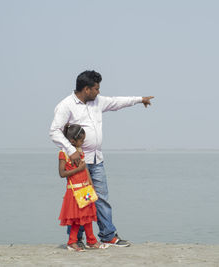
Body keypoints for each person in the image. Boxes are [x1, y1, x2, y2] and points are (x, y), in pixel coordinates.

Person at [50, 70, 154, 247]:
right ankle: (77, 240)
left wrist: (139, 99)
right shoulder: (66, 105)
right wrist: (70, 150)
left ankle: (108, 236)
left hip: (97, 160)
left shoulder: (97, 101)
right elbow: (54, 131)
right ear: (86, 89)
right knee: (81, 201)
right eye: (96, 88)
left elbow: (117, 102)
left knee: (101, 198)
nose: (99, 92)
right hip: (79, 162)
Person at [58, 123, 109, 251]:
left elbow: (85, 169)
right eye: (81, 140)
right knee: (76, 219)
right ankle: (72, 242)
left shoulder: (79, 152)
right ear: (72, 140)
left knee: (87, 216)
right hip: (74, 191)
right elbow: (62, 173)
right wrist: (79, 169)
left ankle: (91, 241)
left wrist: (90, 183)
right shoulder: (63, 153)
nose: (83, 143)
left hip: (85, 189)